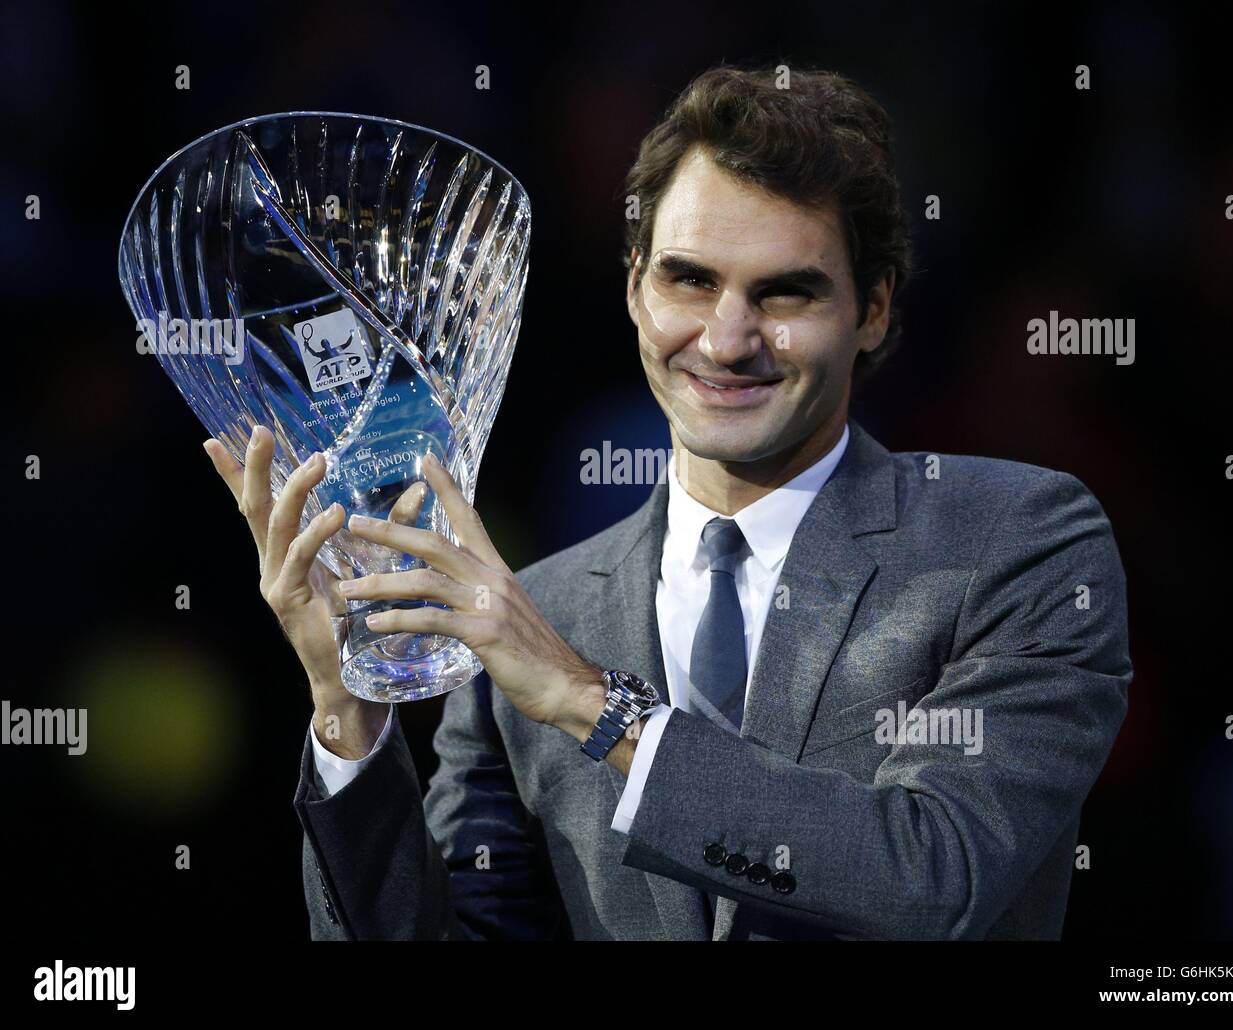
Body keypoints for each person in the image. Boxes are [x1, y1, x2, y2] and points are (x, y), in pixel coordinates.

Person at [203, 63, 1131, 940]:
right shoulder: (536, 614)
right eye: (690, 279)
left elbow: (935, 877)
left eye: (786, 293)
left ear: (876, 309)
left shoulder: (1016, 542)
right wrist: (348, 711)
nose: (727, 340)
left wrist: (589, 702)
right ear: (636, 286)